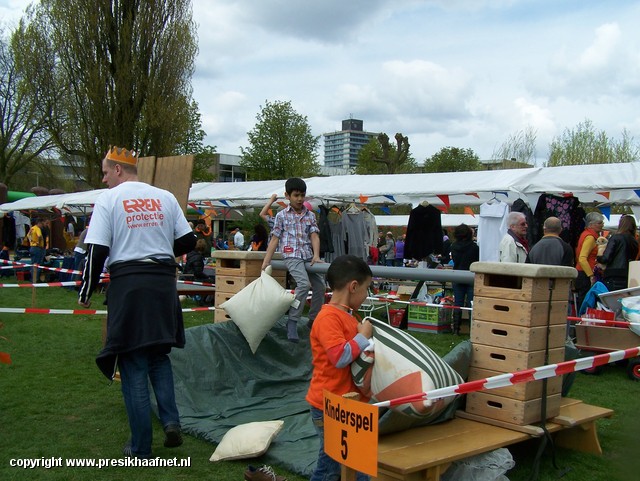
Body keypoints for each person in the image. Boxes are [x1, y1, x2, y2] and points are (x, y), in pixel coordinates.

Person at [77, 146, 196, 459]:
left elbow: (97, 251)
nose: (103, 180)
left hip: (130, 285)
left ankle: (141, 448)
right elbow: (188, 241)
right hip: (162, 285)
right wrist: (155, 241)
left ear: (118, 170)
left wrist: (85, 289)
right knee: (159, 356)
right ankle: (171, 421)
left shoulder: (109, 199)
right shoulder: (165, 197)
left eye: (104, 172)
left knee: (132, 364)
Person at [306, 255, 373, 481]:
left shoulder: (349, 315)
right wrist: (363, 336)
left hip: (350, 404)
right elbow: (340, 356)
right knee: (331, 465)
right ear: (353, 286)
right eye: (366, 289)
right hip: (329, 405)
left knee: (358, 460)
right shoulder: (327, 318)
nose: (366, 296)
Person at [261, 177, 324, 342]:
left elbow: (314, 235)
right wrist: (266, 260)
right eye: (296, 195)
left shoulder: (309, 215)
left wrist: (316, 255)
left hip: (307, 254)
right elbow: (275, 238)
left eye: (302, 195)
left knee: (320, 286)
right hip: (291, 254)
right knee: (303, 284)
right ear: (287, 196)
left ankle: (313, 319)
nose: (300, 199)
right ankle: (293, 320)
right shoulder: (281, 215)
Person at [597, 214, 639, 292]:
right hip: (627, 274)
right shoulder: (634, 241)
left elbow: (606, 258)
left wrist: (598, 257)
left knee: (611, 300)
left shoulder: (616, 238)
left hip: (613, 274)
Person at [450, 224, 479, 335]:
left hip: (457, 275)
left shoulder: (453, 246)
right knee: (472, 304)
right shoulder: (475, 247)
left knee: (458, 303)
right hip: (471, 276)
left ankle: (456, 330)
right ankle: (473, 330)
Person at [574, 212, 605, 312]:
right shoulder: (590, 237)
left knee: (583, 301)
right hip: (585, 275)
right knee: (585, 302)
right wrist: (591, 275)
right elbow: (582, 258)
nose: (602, 224)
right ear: (591, 224)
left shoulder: (586, 234)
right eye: (600, 223)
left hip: (582, 273)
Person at [27, 218, 46, 282]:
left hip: (32, 247)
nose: (42, 225)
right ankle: (36, 279)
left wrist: (31, 241)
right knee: (38, 264)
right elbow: (40, 235)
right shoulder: (37, 229)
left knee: (33, 264)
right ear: (39, 223)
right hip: (37, 248)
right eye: (41, 224)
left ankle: (32, 278)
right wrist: (38, 242)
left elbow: (28, 235)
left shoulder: (32, 228)